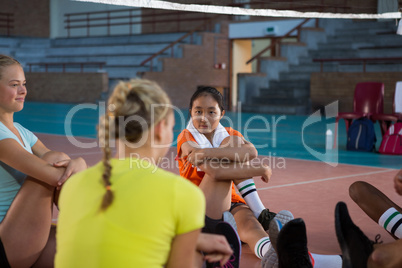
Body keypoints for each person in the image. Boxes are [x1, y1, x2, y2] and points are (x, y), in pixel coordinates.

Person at [55, 79, 232, 268]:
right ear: (159, 129)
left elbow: (115, 234)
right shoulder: (180, 193)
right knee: (195, 257)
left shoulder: (73, 185)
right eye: (171, 128)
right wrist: (190, 242)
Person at [176, 86, 293, 264]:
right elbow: (216, 173)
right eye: (198, 111)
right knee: (229, 154)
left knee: (249, 224)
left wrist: (206, 152)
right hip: (199, 205)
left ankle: (270, 252)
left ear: (221, 114)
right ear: (190, 112)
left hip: (230, 201)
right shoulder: (186, 138)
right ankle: (260, 212)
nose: (203, 118)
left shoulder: (229, 134)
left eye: (211, 112)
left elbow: (251, 152)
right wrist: (258, 169)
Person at [0, 54, 87, 267]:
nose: (23, 91)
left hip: (26, 233)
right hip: (6, 242)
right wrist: (81, 163)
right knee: (56, 159)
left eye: (24, 84)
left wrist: (77, 163)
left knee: (85, 253)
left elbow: (61, 168)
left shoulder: (21, 131)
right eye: (14, 85)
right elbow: (55, 174)